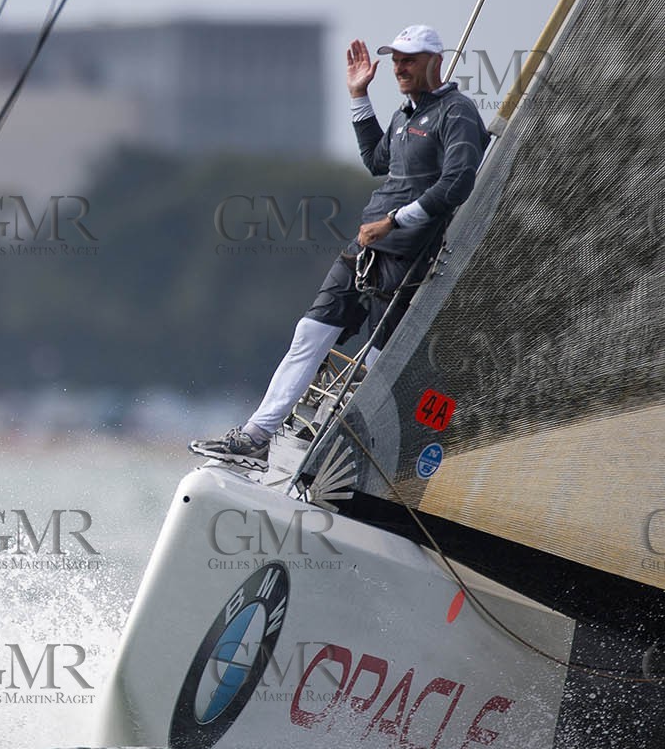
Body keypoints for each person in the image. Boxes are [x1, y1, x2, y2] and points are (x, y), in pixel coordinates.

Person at [192, 24, 491, 466]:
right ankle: (257, 436)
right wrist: (358, 95)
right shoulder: (404, 114)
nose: (399, 68)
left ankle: (359, 459)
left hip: (410, 258)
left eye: (409, 60)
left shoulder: (457, 112)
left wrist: (393, 221)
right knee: (309, 333)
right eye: (396, 60)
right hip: (366, 248)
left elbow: (458, 183)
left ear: (435, 61)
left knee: (379, 363)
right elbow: (375, 161)